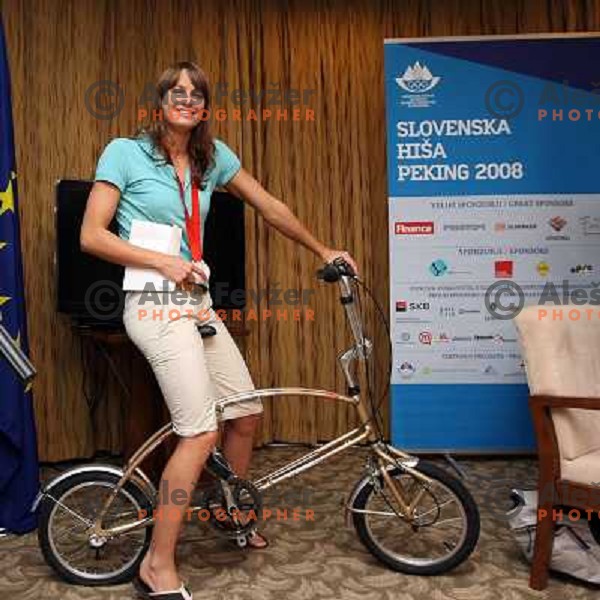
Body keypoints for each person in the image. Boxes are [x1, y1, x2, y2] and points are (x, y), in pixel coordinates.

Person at [80, 60, 358, 599]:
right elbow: (91, 235)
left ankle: (228, 515)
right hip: (154, 300)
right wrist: (161, 263)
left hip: (197, 301)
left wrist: (323, 249)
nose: (186, 99)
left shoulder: (213, 156)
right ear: (159, 102)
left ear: (204, 107)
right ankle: (157, 566)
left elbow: (270, 206)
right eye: (176, 91)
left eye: (196, 94)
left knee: (246, 413)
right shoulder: (124, 152)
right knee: (200, 430)